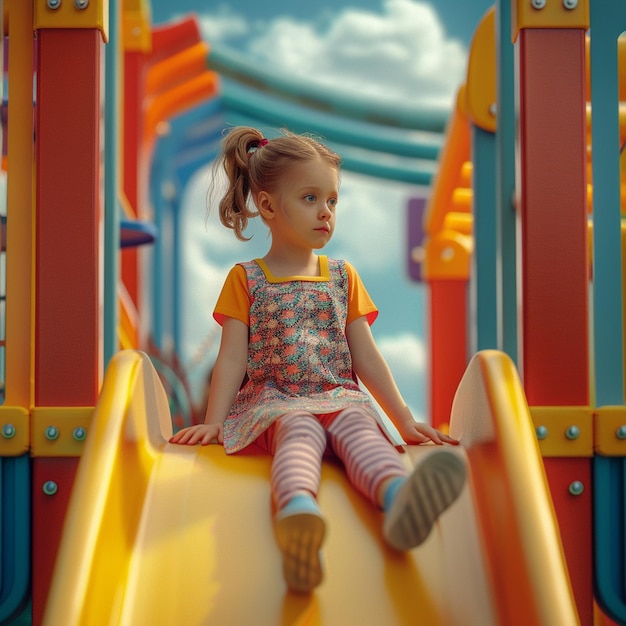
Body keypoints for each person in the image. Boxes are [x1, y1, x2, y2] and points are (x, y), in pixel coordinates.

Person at [170, 126, 467, 593]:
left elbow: (367, 357)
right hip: (275, 402)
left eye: (331, 201)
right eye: (310, 198)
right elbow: (230, 359)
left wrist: (405, 422)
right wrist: (214, 421)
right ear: (268, 206)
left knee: (360, 430)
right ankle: (298, 514)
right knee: (299, 432)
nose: (325, 212)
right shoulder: (246, 278)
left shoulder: (343, 276)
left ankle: (398, 497)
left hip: (340, 397)